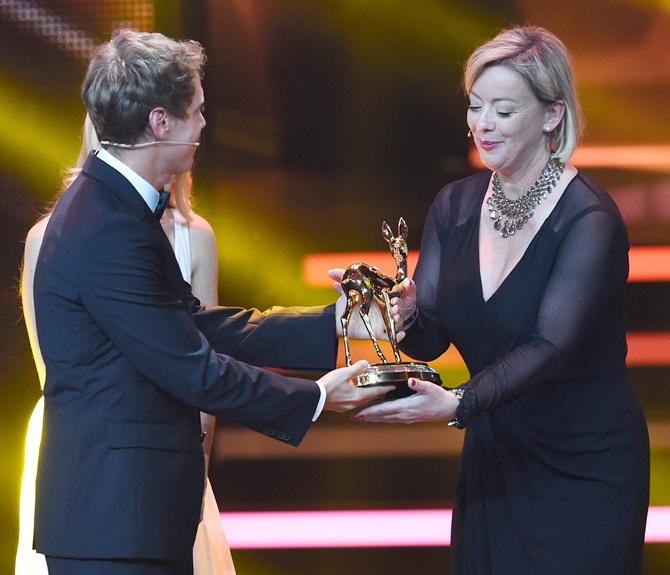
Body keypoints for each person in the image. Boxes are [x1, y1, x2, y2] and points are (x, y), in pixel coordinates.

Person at [32, 29, 390, 575]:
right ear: (160, 122)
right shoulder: (107, 225)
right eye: (197, 111)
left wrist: (337, 322)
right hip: (114, 527)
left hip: (132, 519)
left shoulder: (118, 208)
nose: (204, 124)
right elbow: (192, 366)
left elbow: (196, 327)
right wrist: (315, 399)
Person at [354, 26, 650, 574]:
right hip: (496, 455)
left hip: (583, 463)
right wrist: (404, 311)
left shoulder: (590, 219)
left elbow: (550, 345)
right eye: (474, 106)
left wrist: (458, 403)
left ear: (551, 115)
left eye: (503, 110)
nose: (482, 125)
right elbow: (434, 333)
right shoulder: (456, 205)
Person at [16, 117, 236, 574]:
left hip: (172, 451)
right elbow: (54, 373)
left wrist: (194, 473)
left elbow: (207, 366)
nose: (201, 123)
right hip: (82, 456)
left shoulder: (195, 237)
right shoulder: (48, 237)